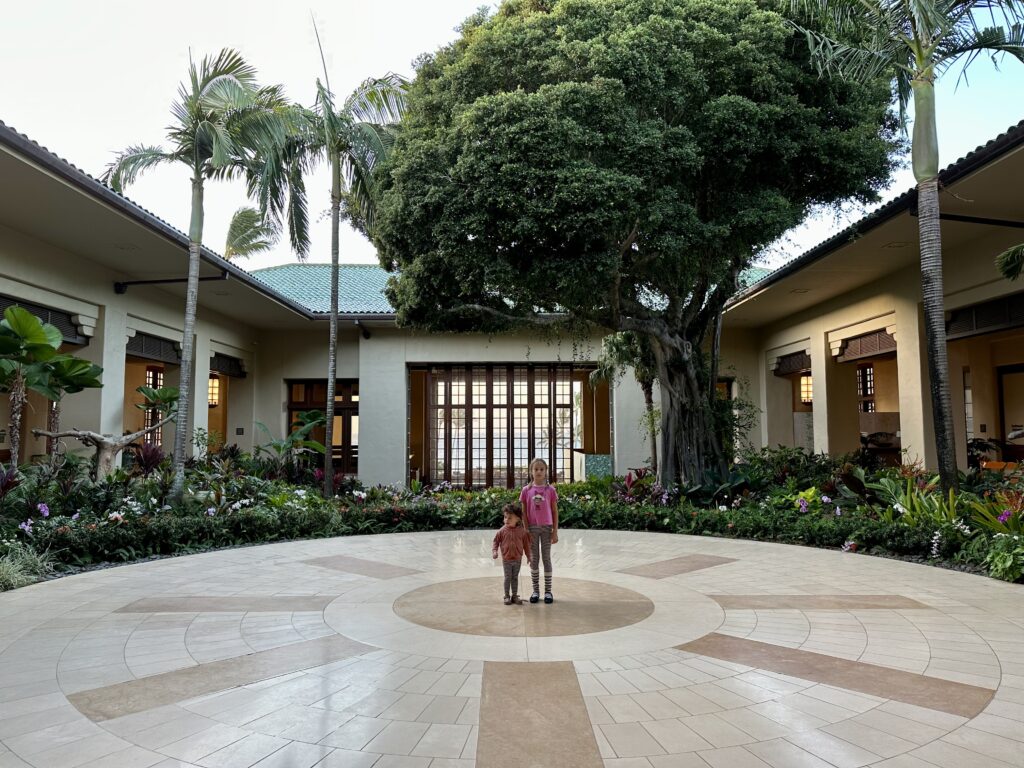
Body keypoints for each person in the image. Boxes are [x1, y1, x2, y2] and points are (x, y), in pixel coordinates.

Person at [520, 457, 558, 604]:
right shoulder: (526, 491)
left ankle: (548, 592)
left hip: (547, 528)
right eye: (536, 469)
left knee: (546, 558)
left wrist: (555, 531)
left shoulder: (551, 490)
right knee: (534, 559)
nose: (539, 472)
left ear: (546, 471)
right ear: (531, 472)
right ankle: (535, 591)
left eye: (542, 469)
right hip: (532, 529)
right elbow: (523, 512)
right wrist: (526, 528)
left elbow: (555, 511)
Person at [492, 503, 532, 605]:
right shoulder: (502, 531)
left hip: (517, 559)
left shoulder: (522, 532)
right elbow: (495, 541)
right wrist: (494, 551)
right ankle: (506, 595)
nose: (506, 520)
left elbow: (526, 545)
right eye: (505, 517)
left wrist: (529, 556)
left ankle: (514, 595)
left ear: (518, 519)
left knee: (515, 577)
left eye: (510, 518)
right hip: (507, 559)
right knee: (507, 577)